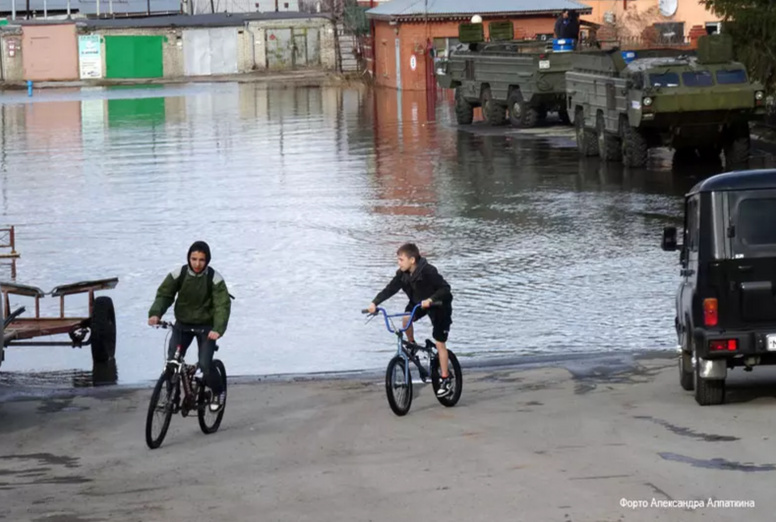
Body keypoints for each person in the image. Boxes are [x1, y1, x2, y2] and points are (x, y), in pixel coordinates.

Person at [148, 241, 231, 412]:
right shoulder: (180, 274)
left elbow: (222, 306)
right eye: (194, 259)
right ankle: (171, 397)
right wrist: (156, 314)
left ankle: (218, 392)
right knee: (172, 361)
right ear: (189, 258)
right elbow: (165, 294)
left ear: (207, 260)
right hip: (182, 325)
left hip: (206, 327)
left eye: (201, 260)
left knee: (205, 365)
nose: (197, 263)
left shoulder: (214, 279)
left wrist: (218, 329)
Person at [367, 243, 454, 397]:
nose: (398, 263)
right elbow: (390, 289)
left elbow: (445, 289)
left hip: (439, 306)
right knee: (406, 318)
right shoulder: (402, 274)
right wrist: (375, 303)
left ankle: (445, 379)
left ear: (412, 260)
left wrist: (431, 299)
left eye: (401, 260)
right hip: (418, 304)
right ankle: (412, 344)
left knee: (440, 342)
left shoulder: (428, 271)